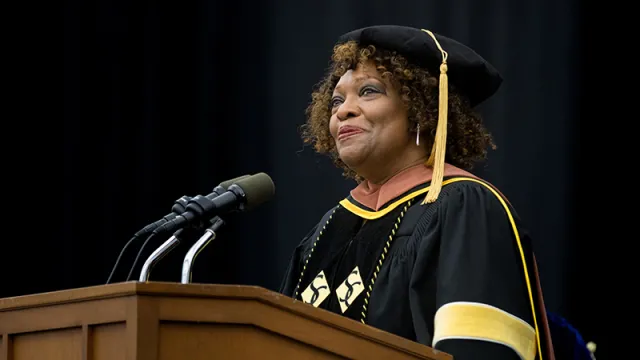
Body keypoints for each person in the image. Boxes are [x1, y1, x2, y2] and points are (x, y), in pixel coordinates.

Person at [279, 25, 555, 360]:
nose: (342, 110)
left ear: (422, 110)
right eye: (337, 99)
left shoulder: (463, 206)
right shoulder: (327, 230)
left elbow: (477, 348)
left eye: (368, 91)